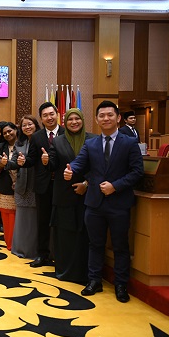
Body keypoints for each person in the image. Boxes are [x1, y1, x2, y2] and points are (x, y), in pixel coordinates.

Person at [64, 101, 144, 303]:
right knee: (95, 244)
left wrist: (115, 186)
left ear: (118, 118)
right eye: (102, 115)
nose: (106, 118)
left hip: (119, 203)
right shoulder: (90, 144)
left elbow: (137, 172)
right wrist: (71, 169)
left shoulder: (129, 143)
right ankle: (94, 281)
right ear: (97, 119)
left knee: (120, 246)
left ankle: (121, 285)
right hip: (94, 203)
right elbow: (80, 163)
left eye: (110, 115)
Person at [44, 108, 95, 283]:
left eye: (77, 118)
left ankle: (84, 273)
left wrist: (86, 184)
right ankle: (64, 271)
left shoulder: (93, 139)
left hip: (87, 195)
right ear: (65, 123)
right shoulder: (58, 141)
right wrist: (46, 161)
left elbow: (98, 167)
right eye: (70, 119)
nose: (74, 122)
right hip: (64, 195)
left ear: (82, 120)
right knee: (65, 235)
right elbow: (53, 165)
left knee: (83, 235)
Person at [29, 101, 64, 267]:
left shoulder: (66, 133)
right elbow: (31, 159)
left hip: (63, 184)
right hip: (43, 185)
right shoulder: (36, 137)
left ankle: (62, 255)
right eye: (45, 116)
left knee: (62, 221)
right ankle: (42, 254)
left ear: (57, 114)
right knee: (42, 221)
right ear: (41, 119)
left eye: (51, 114)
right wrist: (22, 161)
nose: (49, 118)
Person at [10, 115, 39, 259]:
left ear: (36, 125)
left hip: (37, 184)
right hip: (22, 185)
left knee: (36, 218)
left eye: (30, 124)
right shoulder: (19, 143)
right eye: (24, 125)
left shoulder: (41, 140)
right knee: (22, 219)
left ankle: (36, 250)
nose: (27, 127)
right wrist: (6, 163)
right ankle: (21, 248)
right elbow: (14, 163)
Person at [0, 122, 18, 250]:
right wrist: (1, 165)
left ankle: (21, 244)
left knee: (22, 218)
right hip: (5, 187)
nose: (8, 134)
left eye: (10, 131)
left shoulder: (25, 145)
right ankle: (10, 244)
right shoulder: (0, 147)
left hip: (24, 186)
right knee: (8, 218)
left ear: (16, 130)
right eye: (4, 133)